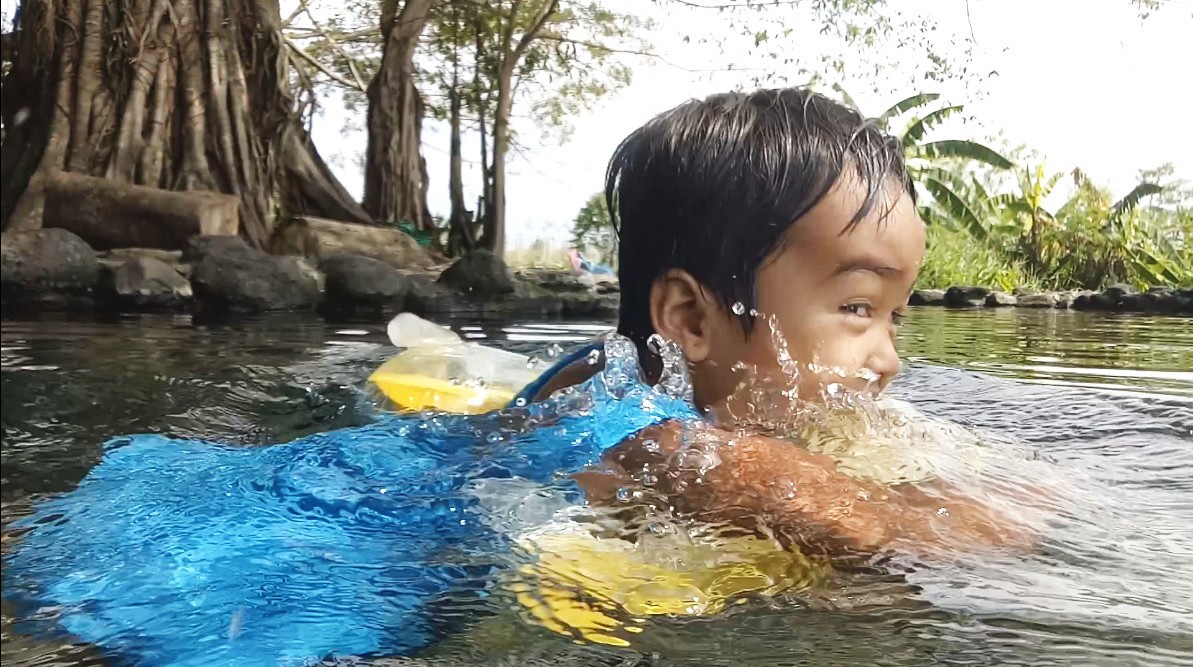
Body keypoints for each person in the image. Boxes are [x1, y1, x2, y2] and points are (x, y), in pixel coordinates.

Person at [514, 87, 1038, 560]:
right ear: (691, 319)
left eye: (894, 316)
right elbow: (901, 530)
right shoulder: (669, 444)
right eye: (858, 308)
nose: (889, 362)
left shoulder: (604, 374)